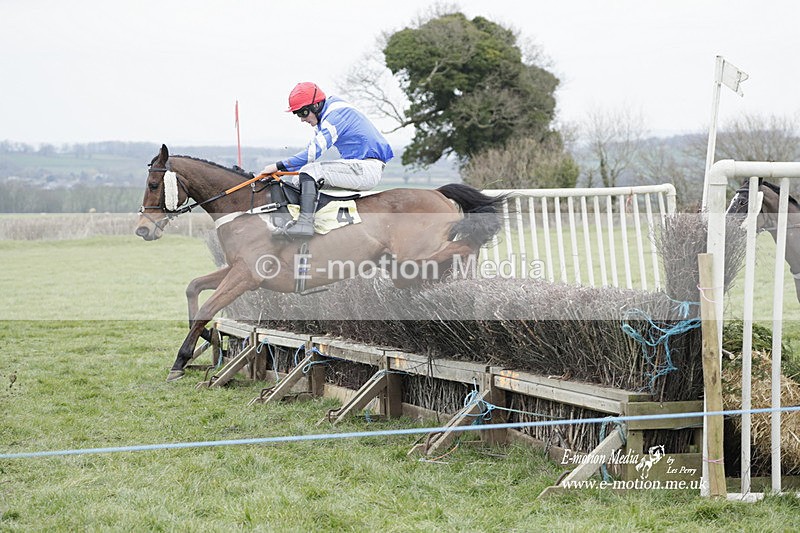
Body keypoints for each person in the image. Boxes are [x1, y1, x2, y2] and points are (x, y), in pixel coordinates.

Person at [259, 82, 394, 237]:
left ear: (316, 106)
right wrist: (281, 172)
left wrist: (278, 166)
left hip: (367, 169)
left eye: (303, 113)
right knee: (298, 180)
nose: (302, 119)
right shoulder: (327, 115)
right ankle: (294, 221)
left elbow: (312, 153)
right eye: (297, 114)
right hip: (359, 166)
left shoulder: (335, 116)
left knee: (310, 172)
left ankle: (305, 224)